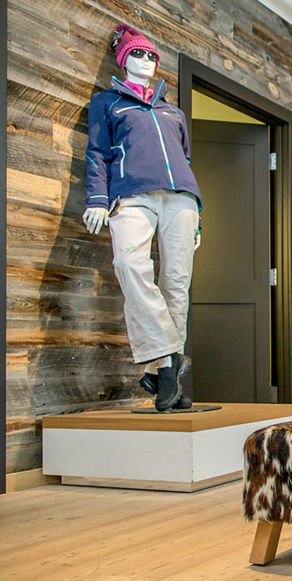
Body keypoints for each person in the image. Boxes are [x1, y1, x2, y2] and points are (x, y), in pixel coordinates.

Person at [84, 24, 201, 411]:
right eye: (138, 53)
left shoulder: (173, 111)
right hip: (131, 197)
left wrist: (197, 215)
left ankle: (161, 372)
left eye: (151, 55)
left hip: (181, 200)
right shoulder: (108, 103)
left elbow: (184, 160)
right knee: (131, 265)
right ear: (123, 60)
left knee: (176, 283)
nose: (146, 61)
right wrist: (98, 199)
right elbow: (97, 153)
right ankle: (169, 364)